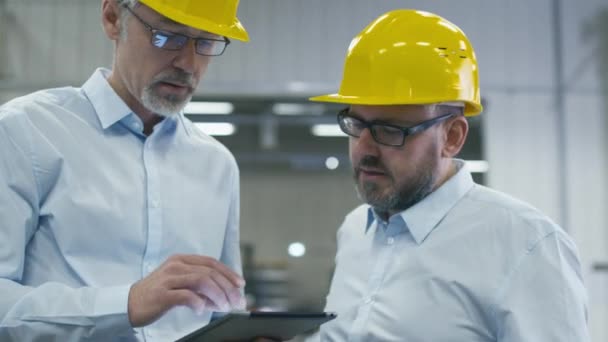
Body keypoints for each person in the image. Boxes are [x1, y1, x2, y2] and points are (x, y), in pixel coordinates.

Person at [306, 9, 590, 341]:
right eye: (356, 125)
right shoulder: (355, 230)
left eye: (389, 129)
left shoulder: (525, 245)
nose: (364, 148)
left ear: (452, 136)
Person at [0, 0, 250, 340]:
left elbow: (223, 310)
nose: (188, 63)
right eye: (168, 35)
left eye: (206, 42)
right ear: (113, 18)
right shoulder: (24, 132)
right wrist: (126, 303)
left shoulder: (216, 164)